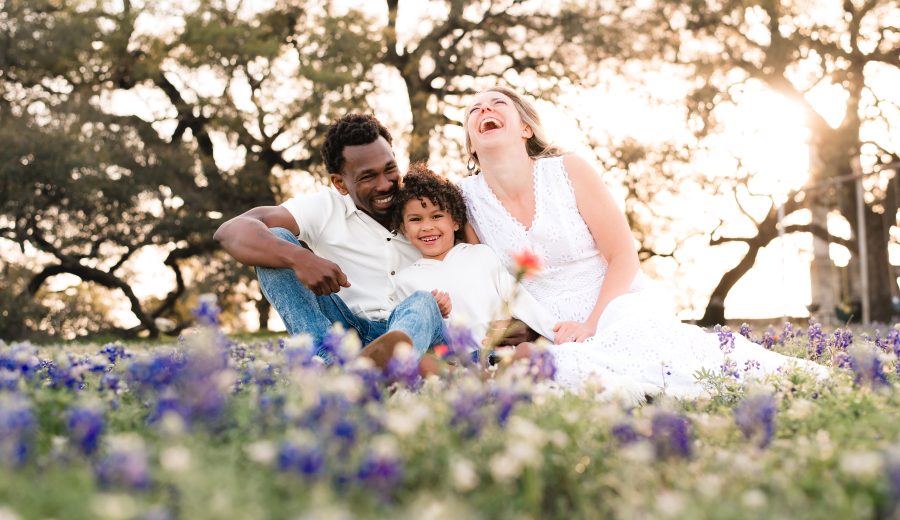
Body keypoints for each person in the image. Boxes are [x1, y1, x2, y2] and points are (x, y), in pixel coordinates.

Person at [458, 86, 827, 397]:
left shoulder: (569, 170)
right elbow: (485, 278)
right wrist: (518, 328)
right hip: (545, 325)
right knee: (534, 364)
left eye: (497, 103)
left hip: (614, 302)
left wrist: (591, 323)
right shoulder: (465, 199)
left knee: (640, 337)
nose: (485, 109)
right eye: (474, 110)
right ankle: (618, 390)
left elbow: (622, 254)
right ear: (471, 145)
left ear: (525, 128)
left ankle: (653, 386)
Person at [213, 113, 448, 368]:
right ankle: (328, 363)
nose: (384, 185)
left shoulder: (427, 209)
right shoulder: (325, 207)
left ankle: (392, 366)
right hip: (343, 333)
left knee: (424, 301)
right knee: (276, 241)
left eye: (390, 169)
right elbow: (230, 231)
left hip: (412, 331)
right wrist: (299, 258)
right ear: (340, 183)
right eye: (368, 177)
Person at [390, 163, 557, 348]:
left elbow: (518, 298)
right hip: (454, 363)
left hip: (499, 354)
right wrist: (433, 314)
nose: (427, 226)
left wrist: (554, 331)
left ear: (455, 221)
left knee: (526, 351)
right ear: (404, 229)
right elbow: (414, 332)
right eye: (416, 219)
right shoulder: (406, 280)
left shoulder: (481, 255)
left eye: (436, 216)